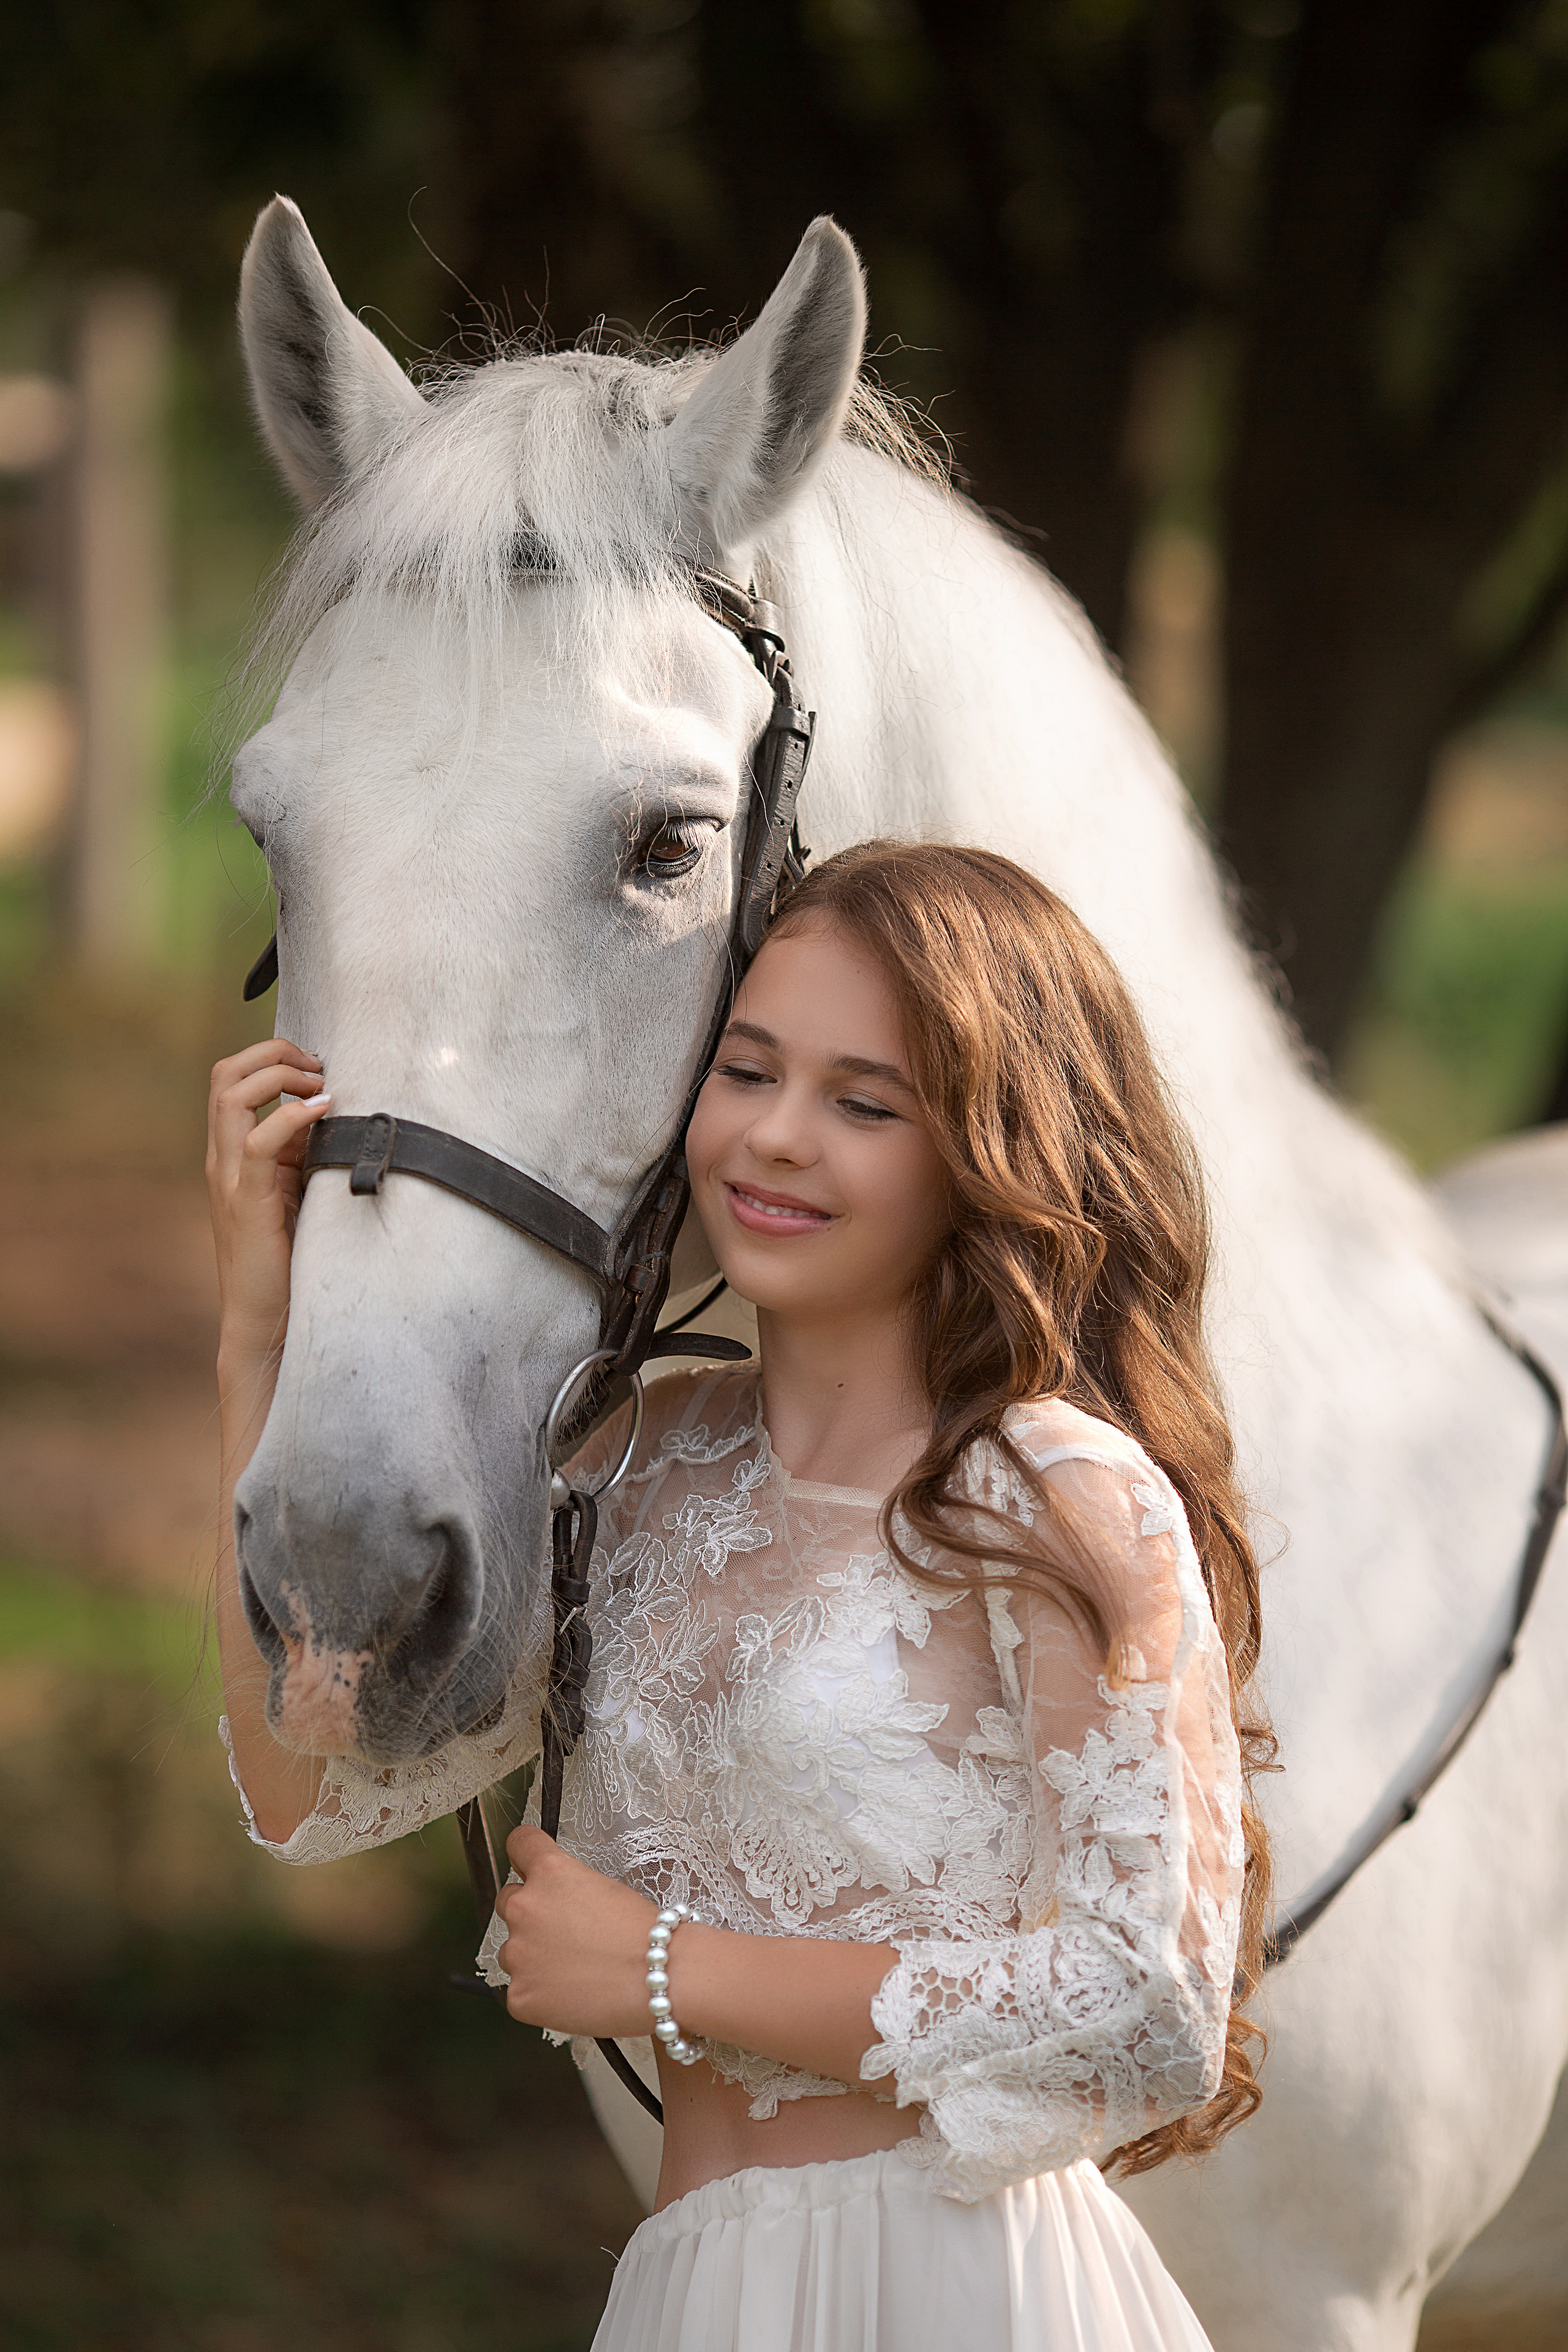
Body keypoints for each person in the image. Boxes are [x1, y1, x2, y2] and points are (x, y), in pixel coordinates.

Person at [208, 841, 1272, 2351]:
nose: (774, 1138)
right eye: (747, 1072)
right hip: (694, 2291)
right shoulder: (629, 1468)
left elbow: (1145, 2001)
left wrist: (664, 1969)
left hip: (958, 2293)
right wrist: (260, 1332)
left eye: (863, 1103)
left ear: (990, 1145)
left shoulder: (1054, 1497)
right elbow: (308, 1767)